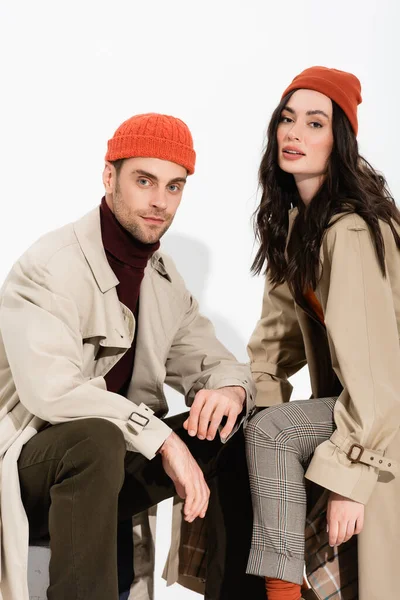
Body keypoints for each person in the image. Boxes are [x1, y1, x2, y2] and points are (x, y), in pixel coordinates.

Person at [0, 113, 263, 600]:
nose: (159, 201)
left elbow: (212, 360)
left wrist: (227, 388)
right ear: (109, 176)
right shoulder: (49, 266)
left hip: (109, 465)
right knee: (94, 438)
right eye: (144, 181)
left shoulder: (163, 280)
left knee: (243, 424)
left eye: (174, 186)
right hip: (27, 465)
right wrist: (164, 440)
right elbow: (52, 393)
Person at [245, 66, 400, 600]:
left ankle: (281, 594)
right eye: (287, 120)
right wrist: (251, 401)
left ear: (340, 142)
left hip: (383, 418)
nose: (294, 133)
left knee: (274, 432)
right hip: (351, 406)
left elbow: (379, 377)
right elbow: (273, 344)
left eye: (315, 123)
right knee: (248, 426)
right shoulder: (297, 226)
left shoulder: (352, 230)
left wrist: (352, 478)